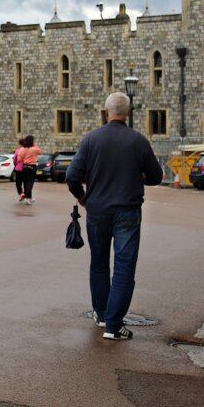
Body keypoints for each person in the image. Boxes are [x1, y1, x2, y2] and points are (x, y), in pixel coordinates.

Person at [66, 92, 164, 341]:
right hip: (127, 212)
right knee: (123, 268)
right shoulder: (138, 141)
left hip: (96, 210)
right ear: (128, 113)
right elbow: (155, 177)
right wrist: (134, 176)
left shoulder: (91, 139)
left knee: (98, 264)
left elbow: (72, 176)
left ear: (106, 112)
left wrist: (82, 197)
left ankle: (100, 314)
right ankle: (113, 324)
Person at [18, 135, 43, 205]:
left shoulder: (22, 149)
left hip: (25, 166)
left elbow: (19, 159)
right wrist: (34, 146)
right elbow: (41, 152)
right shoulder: (34, 149)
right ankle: (27, 198)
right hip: (32, 166)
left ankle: (29, 197)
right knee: (30, 183)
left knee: (25, 183)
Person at [12, 136, 26, 201]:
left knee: (18, 183)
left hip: (19, 169)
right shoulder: (27, 150)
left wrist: (15, 165)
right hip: (26, 168)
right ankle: (25, 194)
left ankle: (21, 193)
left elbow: (15, 159)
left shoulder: (18, 150)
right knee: (25, 183)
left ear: (20, 144)